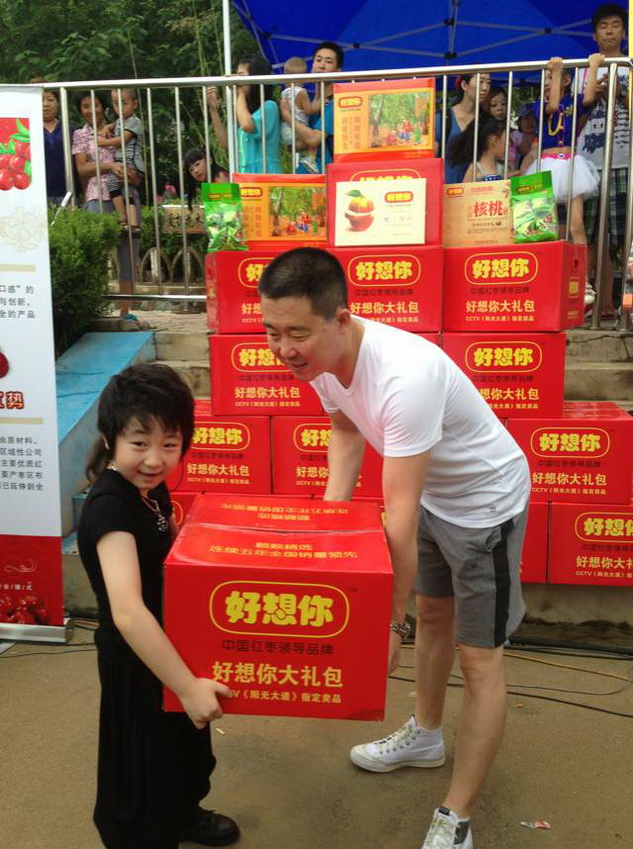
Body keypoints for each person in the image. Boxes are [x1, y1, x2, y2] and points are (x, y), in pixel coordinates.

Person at [258, 248, 531, 849]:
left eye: (297, 333)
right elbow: (345, 429)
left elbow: (397, 524)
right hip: (433, 493)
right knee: (435, 613)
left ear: (341, 319)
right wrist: (328, 537)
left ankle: (456, 815)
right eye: (272, 332)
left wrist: (387, 624)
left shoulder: (405, 377)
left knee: (478, 657)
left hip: (484, 505)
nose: (284, 349)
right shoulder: (320, 361)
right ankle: (426, 736)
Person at [77, 363, 240, 849]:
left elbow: (171, 551)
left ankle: (183, 814)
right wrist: (186, 685)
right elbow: (128, 612)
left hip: (172, 646)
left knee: (182, 750)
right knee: (142, 766)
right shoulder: (111, 507)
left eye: (170, 444)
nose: (155, 459)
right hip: (137, 661)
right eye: (139, 443)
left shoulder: (150, 490)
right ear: (110, 438)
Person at [578, 3, 630, 319]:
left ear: (624, 31)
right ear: (595, 34)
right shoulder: (583, 68)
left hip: (623, 159)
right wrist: (593, 92)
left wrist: (619, 92)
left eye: (615, 25)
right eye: (603, 26)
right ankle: (590, 300)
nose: (609, 31)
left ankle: (619, 302)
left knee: (622, 235)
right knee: (589, 235)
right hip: (588, 162)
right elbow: (573, 115)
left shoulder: (630, 66)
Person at [72, 90, 142, 324]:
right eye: (85, 106)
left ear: (104, 107)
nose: (91, 110)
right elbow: (82, 169)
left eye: (95, 105)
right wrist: (110, 166)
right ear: (80, 110)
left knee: (128, 255)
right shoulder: (80, 135)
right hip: (96, 197)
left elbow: (133, 158)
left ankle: (125, 311)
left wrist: (132, 174)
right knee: (95, 257)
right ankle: (93, 310)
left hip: (126, 194)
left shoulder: (122, 128)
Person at [524, 54, 603, 249]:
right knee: (545, 226)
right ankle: (548, 265)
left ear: (566, 80)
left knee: (576, 225)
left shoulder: (573, 102)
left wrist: (593, 66)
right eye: (545, 78)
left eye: (551, 78)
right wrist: (557, 71)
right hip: (546, 164)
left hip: (571, 165)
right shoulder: (539, 105)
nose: (546, 83)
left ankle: (582, 268)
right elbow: (552, 106)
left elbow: (589, 97)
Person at [206, 55, 281, 174]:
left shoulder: (270, 106)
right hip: (246, 174)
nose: (238, 81)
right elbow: (226, 143)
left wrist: (240, 93)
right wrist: (213, 110)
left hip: (265, 173)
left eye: (241, 76)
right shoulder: (246, 111)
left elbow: (247, 125)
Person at [280, 41, 345, 174]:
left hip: (325, 175)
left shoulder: (335, 103)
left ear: (338, 71)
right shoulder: (309, 105)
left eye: (328, 62)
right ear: (312, 67)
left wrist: (287, 116)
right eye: (318, 60)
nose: (322, 65)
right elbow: (294, 146)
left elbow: (313, 139)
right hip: (305, 174)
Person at [97, 88, 145, 233]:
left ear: (134, 104)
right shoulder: (120, 121)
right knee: (127, 190)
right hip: (124, 161)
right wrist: (107, 127)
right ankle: (133, 223)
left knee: (112, 183)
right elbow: (113, 125)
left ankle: (122, 218)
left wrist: (104, 142)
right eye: (116, 104)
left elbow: (123, 140)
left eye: (124, 103)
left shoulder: (134, 121)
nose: (120, 108)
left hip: (131, 162)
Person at [434, 73, 491, 183]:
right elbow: (432, 160)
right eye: (480, 81)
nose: (485, 88)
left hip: (477, 189)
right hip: (447, 189)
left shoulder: (487, 121)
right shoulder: (442, 119)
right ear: (464, 85)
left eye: (488, 83)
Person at [279, 56, 322, 173]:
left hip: (285, 129)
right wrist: (320, 103)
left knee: (301, 145)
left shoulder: (284, 93)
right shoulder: (302, 92)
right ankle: (311, 159)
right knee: (313, 138)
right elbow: (308, 110)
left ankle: (305, 159)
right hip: (297, 128)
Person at [448, 116, 512, 182]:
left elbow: (507, 187)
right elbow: (465, 188)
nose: (510, 144)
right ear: (495, 140)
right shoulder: (474, 170)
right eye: (507, 139)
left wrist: (513, 180)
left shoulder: (503, 167)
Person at [509, 102, 536, 170]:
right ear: (519, 122)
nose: (530, 122)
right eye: (526, 118)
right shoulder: (513, 137)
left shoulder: (543, 138)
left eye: (533, 118)